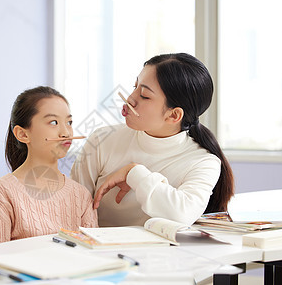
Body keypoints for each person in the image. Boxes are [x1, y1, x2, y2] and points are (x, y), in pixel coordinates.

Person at [71, 53, 234, 227]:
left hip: (160, 254)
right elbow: (72, 208)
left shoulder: (203, 162)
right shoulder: (102, 139)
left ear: (174, 115)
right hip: (92, 249)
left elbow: (183, 215)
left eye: (144, 95)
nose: (130, 98)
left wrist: (134, 173)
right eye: (134, 87)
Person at [0, 86, 98, 251]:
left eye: (69, 122)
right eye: (53, 122)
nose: (66, 132)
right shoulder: (1, 195)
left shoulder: (81, 196)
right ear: (22, 134)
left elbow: (92, 256)